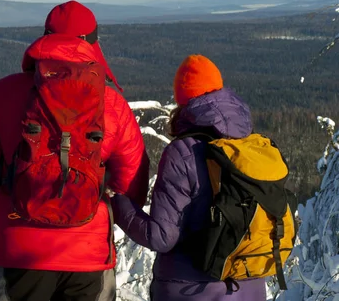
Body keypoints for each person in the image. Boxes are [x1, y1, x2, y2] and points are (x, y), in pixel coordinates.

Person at [0, 0, 150, 301]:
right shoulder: (111, 104)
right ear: (92, 42)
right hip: (88, 257)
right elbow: (132, 181)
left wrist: (6, 217)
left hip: (18, 254)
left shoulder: (3, 94)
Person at [111, 54, 266, 300]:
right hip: (249, 286)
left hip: (192, 289)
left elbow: (162, 237)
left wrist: (117, 204)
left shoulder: (183, 152)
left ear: (182, 100)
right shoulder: (250, 144)